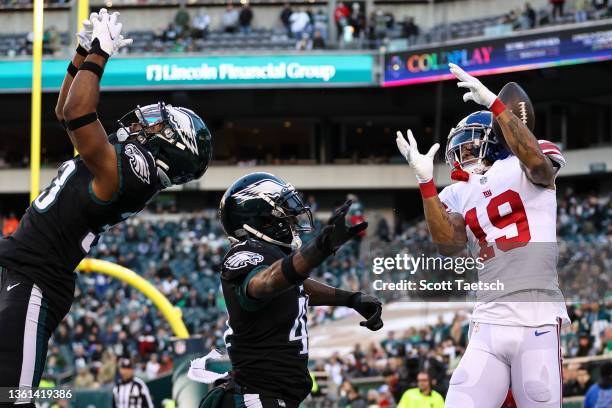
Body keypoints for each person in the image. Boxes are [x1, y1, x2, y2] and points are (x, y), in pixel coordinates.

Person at [0, 9, 212, 406]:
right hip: (17, 267)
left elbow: (80, 114)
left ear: (172, 146)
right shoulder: (133, 165)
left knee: (12, 396)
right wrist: (81, 53)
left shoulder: (137, 172)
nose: (148, 124)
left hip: (35, 281)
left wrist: (99, 54)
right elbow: (65, 112)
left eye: (159, 127)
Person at [396, 63, 568, 407]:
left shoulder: (522, 161)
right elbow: (448, 245)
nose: (463, 155)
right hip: (488, 316)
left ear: (493, 141)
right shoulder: (460, 190)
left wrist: (494, 104)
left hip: (537, 312)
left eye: (470, 146)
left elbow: (537, 166)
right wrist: (426, 184)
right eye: (459, 149)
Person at [199, 172, 383, 407]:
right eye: (285, 215)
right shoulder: (244, 253)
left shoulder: (272, 256)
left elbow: (292, 284)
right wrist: (319, 250)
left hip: (272, 396)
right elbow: (266, 282)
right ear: (264, 221)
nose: (293, 221)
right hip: (255, 397)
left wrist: (350, 299)